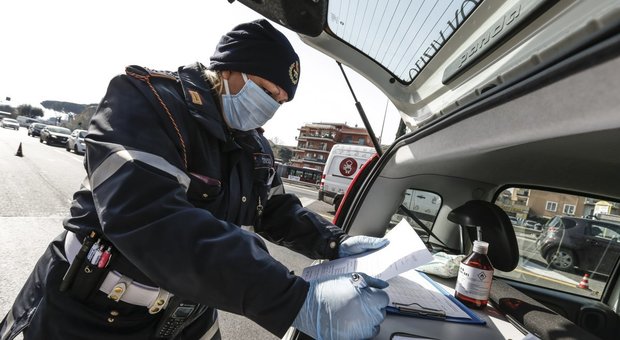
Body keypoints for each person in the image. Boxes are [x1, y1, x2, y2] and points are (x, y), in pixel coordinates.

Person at [0, 19, 390, 340]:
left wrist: (334, 242)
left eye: (281, 101)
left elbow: (275, 209)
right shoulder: (145, 101)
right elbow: (149, 216)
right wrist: (291, 299)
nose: (271, 106)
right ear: (229, 69)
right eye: (267, 90)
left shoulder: (254, 146)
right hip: (88, 311)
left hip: (183, 315)